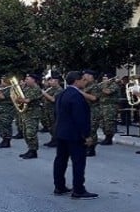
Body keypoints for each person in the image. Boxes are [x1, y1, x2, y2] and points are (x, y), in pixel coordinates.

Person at [53, 71, 97, 199]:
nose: (85, 82)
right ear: (76, 81)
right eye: (83, 80)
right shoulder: (76, 96)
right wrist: (86, 135)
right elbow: (80, 118)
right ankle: (78, 190)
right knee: (78, 162)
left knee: (60, 160)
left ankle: (59, 187)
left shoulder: (63, 94)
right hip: (74, 135)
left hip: (61, 132)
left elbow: (56, 113)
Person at [19, 73, 43, 159]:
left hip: (33, 114)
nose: (26, 80)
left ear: (33, 80)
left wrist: (19, 99)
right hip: (26, 113)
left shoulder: (36, 89)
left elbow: (27, 100)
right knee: (25, 133)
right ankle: (30, 149)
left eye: (28, 79)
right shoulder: (27, 88)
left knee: (31, 133)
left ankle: (33, 151)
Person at [81, 70, 102, 157]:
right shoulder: (85, 85)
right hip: (86, 110)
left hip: (94, 110)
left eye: (85, 75)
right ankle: (86, 146)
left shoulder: (95, 86)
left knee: (92, 130)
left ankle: (91, 149)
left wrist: (81, 93)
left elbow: (94, 98)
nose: (83, 77)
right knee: (86, 129)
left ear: (91, 76)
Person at [0, 77, 15, 148]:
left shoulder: (10, 89)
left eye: (2, 81)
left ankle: (7, 141)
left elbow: (2, 97)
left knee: (6, 125)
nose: (1, 82)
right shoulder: (2, 88)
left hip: (6, 111)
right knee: (0, 125)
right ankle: (3, 140)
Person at [99, 73, 121, 146]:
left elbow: (108, 92)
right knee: (103, 123)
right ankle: (106, 137)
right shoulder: (104, 85)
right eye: (103, 79)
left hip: (111, 106)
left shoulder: (114, 85)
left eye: (105, 79)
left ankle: (109, 138)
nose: (103, 80)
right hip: (103, 106)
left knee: (109, 123)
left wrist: (101, 86)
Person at [42, 74, 63, 147]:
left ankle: (56, 140)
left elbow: (53, 99)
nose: (50, 82)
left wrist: (43, 92)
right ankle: (53, 139)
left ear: (57, 81)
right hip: (47, 110)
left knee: (54, 126)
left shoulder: (59, 90)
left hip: (54, 111)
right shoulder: (50, 89)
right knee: (50, 126)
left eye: (51, 80)